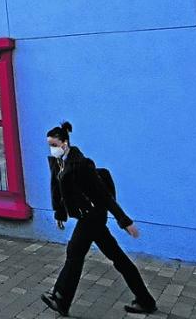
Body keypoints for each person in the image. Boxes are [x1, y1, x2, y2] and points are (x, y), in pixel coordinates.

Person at [41, 121, 157, 316]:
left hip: (92, 216)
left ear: (64, 144)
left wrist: (124, 221)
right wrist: (59, 213)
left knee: (74, 252)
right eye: (49, 145)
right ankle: (145, 300)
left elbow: (103, 195)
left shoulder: (81, 164)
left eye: (54, 145)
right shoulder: (58, 163)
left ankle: (61, 298)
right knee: (117, 257)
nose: (51, 149)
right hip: (87, 217)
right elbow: (57, 189)